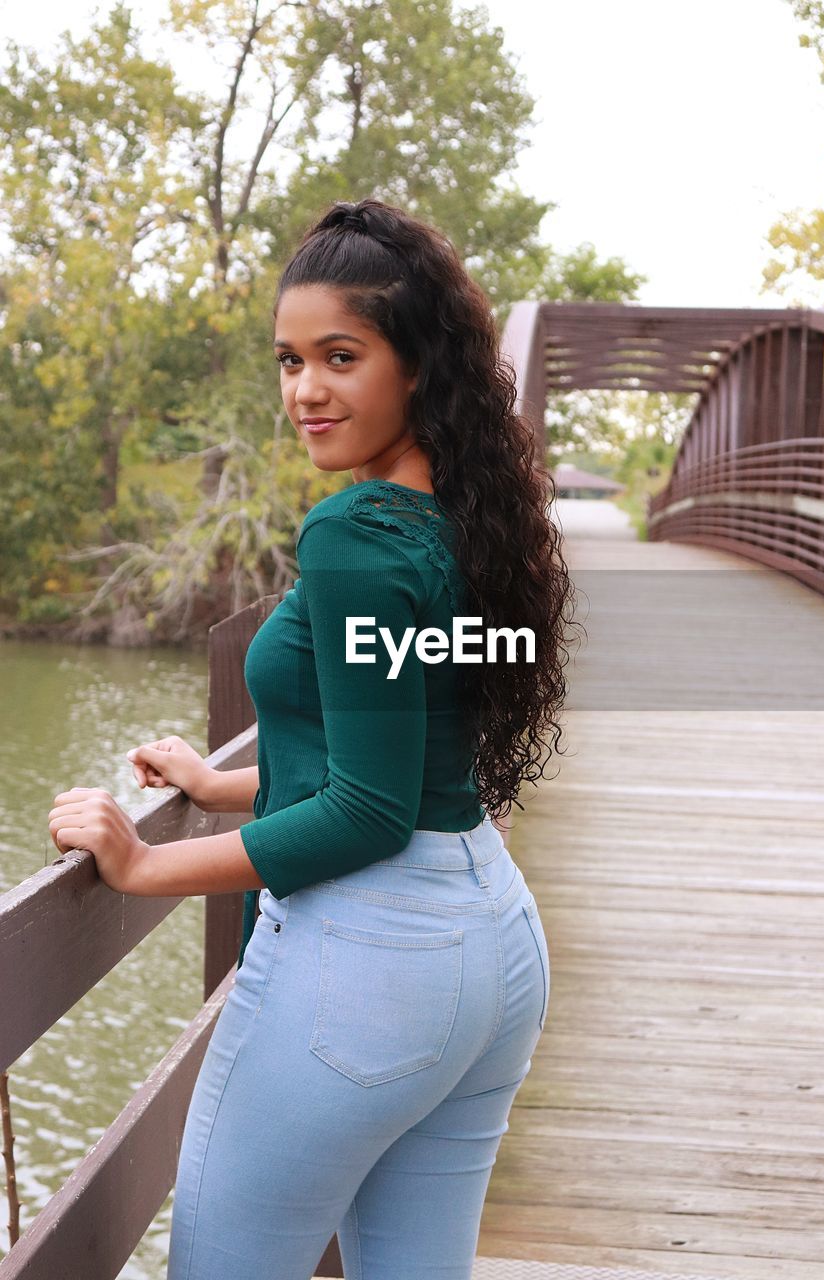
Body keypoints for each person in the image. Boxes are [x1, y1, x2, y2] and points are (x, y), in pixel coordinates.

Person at [48, 198, 575, 1279]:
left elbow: (368, 813)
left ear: (418, 362)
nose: (304, 390)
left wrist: (145, 862)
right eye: (289, 360)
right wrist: (221, 780)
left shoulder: (353, 534)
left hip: (370, 966)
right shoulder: (467, 517)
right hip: (490, 944)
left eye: (341, 355)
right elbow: (406, 747)